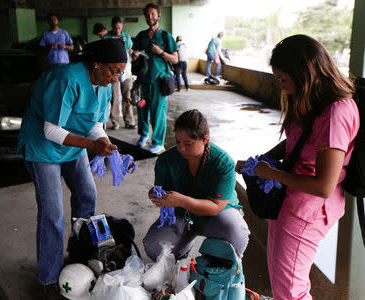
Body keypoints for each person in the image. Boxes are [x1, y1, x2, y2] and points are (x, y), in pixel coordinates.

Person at [235, 34, 359, 300]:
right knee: (283, 282)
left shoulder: (336, 112)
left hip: (308, 210)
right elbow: (296, 141)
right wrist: (259, 162)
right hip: (292, 201)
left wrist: (271, 173)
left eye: (283, 79)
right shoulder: (314, 101)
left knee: (291, 290)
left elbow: (325, 186)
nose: (281, 86)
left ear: (305, 73)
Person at [17, 38, 127, 298]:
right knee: (52, 212)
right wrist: (92, 145)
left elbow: (95, 124)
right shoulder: (66, 79)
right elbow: (51, 129)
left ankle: (77, 253)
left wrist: (106, 145)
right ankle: (48, 278)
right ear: (96, 63)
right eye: (113, 70)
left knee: (87, 194)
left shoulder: (105, 85)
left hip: (74, 143)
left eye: (120, 71)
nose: (116, 77)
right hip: (43, 147)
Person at [143, 109, 250, 261]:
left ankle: (221, 258)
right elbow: (164, 196)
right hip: (181, 216)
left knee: (235, 233)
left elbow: (216, 206)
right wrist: (156, 195)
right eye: (178, 141)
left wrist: (181, 200)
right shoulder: (166, 159)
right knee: (154, 247)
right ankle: (184, 246)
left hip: (217, 216)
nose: (181, 148)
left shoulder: (223, 162)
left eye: (188, 143)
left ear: (205, 139)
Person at [132, 3, 178, 154]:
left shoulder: (166, 36)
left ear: (159, 15)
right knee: (142, 108)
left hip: (159, 82)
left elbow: (175, 59)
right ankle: (144, 134)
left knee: (158, 112)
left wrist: (160, 52)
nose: (149, 17)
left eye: (152, 14)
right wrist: (134, 55)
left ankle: (158, 142)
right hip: (143, 81)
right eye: (147, 15)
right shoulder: (141, 36)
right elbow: (135, 53)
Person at [103, 16, 136, 130]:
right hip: (113, 71)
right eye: (116, 28)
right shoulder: (107, 37)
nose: (118, 31)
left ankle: (129, 120)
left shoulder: (126, 37)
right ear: (112, 26)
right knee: (115, 96)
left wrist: (132, 53)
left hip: (126, 70)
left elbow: (130, 51)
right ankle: (115, 121)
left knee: (127, 95)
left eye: (120, 28)